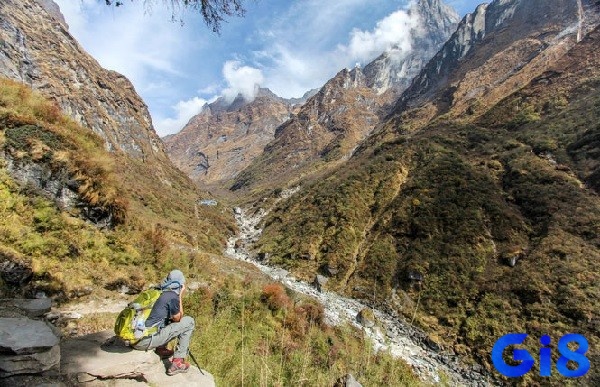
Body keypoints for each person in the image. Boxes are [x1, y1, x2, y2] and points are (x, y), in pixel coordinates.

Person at [133, 269, 195, 375]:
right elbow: (178, 318)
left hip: (134, 338)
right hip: (145, 341)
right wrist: (179, 296)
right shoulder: (172, 296)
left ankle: (161, 348)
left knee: (165, 318)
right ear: (180, 284)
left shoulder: (157, 291)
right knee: (189, 322)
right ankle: (178, 362)